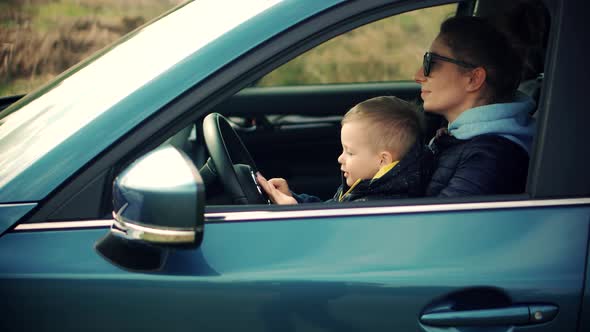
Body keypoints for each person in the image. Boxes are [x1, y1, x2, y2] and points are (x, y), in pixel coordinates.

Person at [414, 16, 536, 197]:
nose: (417, 76)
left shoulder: (491, 158)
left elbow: (439, 224)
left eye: (431, 62)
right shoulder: (455, 138)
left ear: (473, 79)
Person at [256, 96, 433, 204]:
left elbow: (330, 234)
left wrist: (293, 214)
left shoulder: (382, 205)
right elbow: (329, 209)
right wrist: (295, 199)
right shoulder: (368, 187)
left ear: (383, 161)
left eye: (350, 152)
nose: (341, 158)